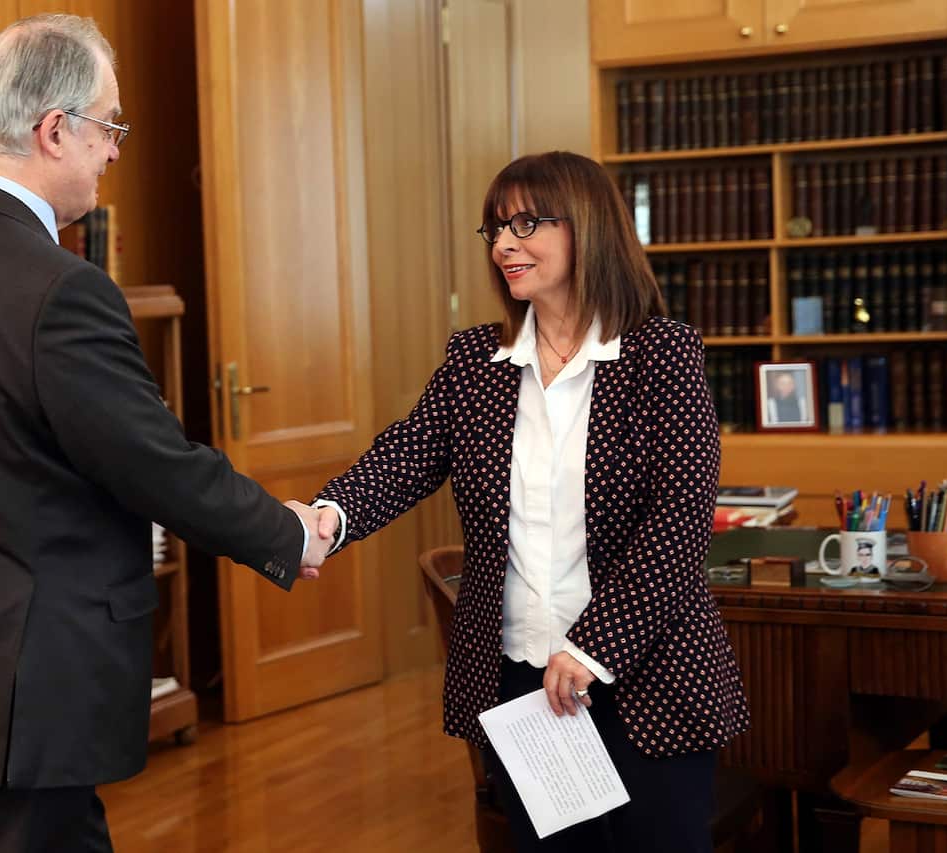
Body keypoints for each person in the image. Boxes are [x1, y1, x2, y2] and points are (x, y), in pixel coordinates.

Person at [0, 15, 333, 852]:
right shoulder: (63, 289)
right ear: (54, 130)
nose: (113, 151)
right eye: (108, 128)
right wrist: (286, 532)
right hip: (36, 675)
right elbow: (156, 464)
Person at [311, 152, 750, 851]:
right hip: (523, 680)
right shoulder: (475, 362)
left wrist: (593, 647)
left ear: (587, 227)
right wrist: (327, 518)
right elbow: (405, 456)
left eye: (525, 224)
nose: (504, 244)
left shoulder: (661, 353)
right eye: (495, 229)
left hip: (647, 675)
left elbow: (678, 521)